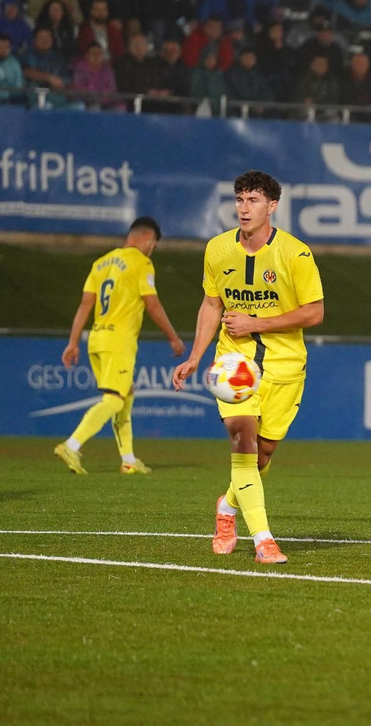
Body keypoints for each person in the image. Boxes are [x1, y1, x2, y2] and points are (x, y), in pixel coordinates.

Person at [173, 171, 325, 566]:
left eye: (253, 200)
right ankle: (264, 541)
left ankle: (227, 505)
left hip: (285, 365)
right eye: (240, 199)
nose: (244, 207)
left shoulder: (296, 254)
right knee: (244, 445)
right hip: (234, 364)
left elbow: (314, 312)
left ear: (272, 206)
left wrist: (257, 322)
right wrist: (195, 355)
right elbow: (211, 305)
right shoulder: (217, 249)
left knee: (262, 455)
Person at [52, 218, 185, 476]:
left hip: (96, 339)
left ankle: (128, 459)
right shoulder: (141, 262)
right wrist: (173, 337)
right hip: (119, 341)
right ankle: (71, 445)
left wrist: (73, 342)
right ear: (148, 238)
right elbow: (152, 303)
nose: (152, 250)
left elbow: (85, 304)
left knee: (126, 395)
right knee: (114, 399)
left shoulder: (101, 263)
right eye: (154, 245)